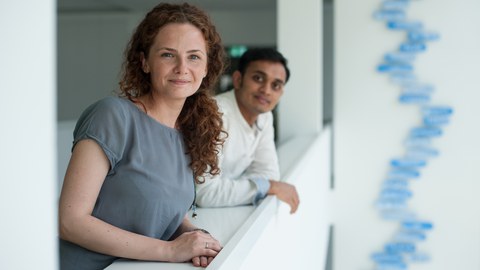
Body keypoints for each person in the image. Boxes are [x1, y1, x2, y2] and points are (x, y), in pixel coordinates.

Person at [58, 3, 227, 269]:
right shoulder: (112, 116)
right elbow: (69, 222)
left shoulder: (186, 132)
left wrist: (194, 236)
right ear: (145, 62)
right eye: (168, 55)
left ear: (207, 67)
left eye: (194, 56)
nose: (182, 67)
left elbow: (163, 209)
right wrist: (170, 251)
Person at [195, 48, 300, 214]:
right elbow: (205, 193)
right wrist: (268, 187)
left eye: (276, 85)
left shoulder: (264, 116)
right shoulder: (214, 115)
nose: (266, 90)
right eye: (258, 78)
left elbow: (268, 173)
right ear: (238, 79)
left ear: (281, 93)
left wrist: (257, 185)